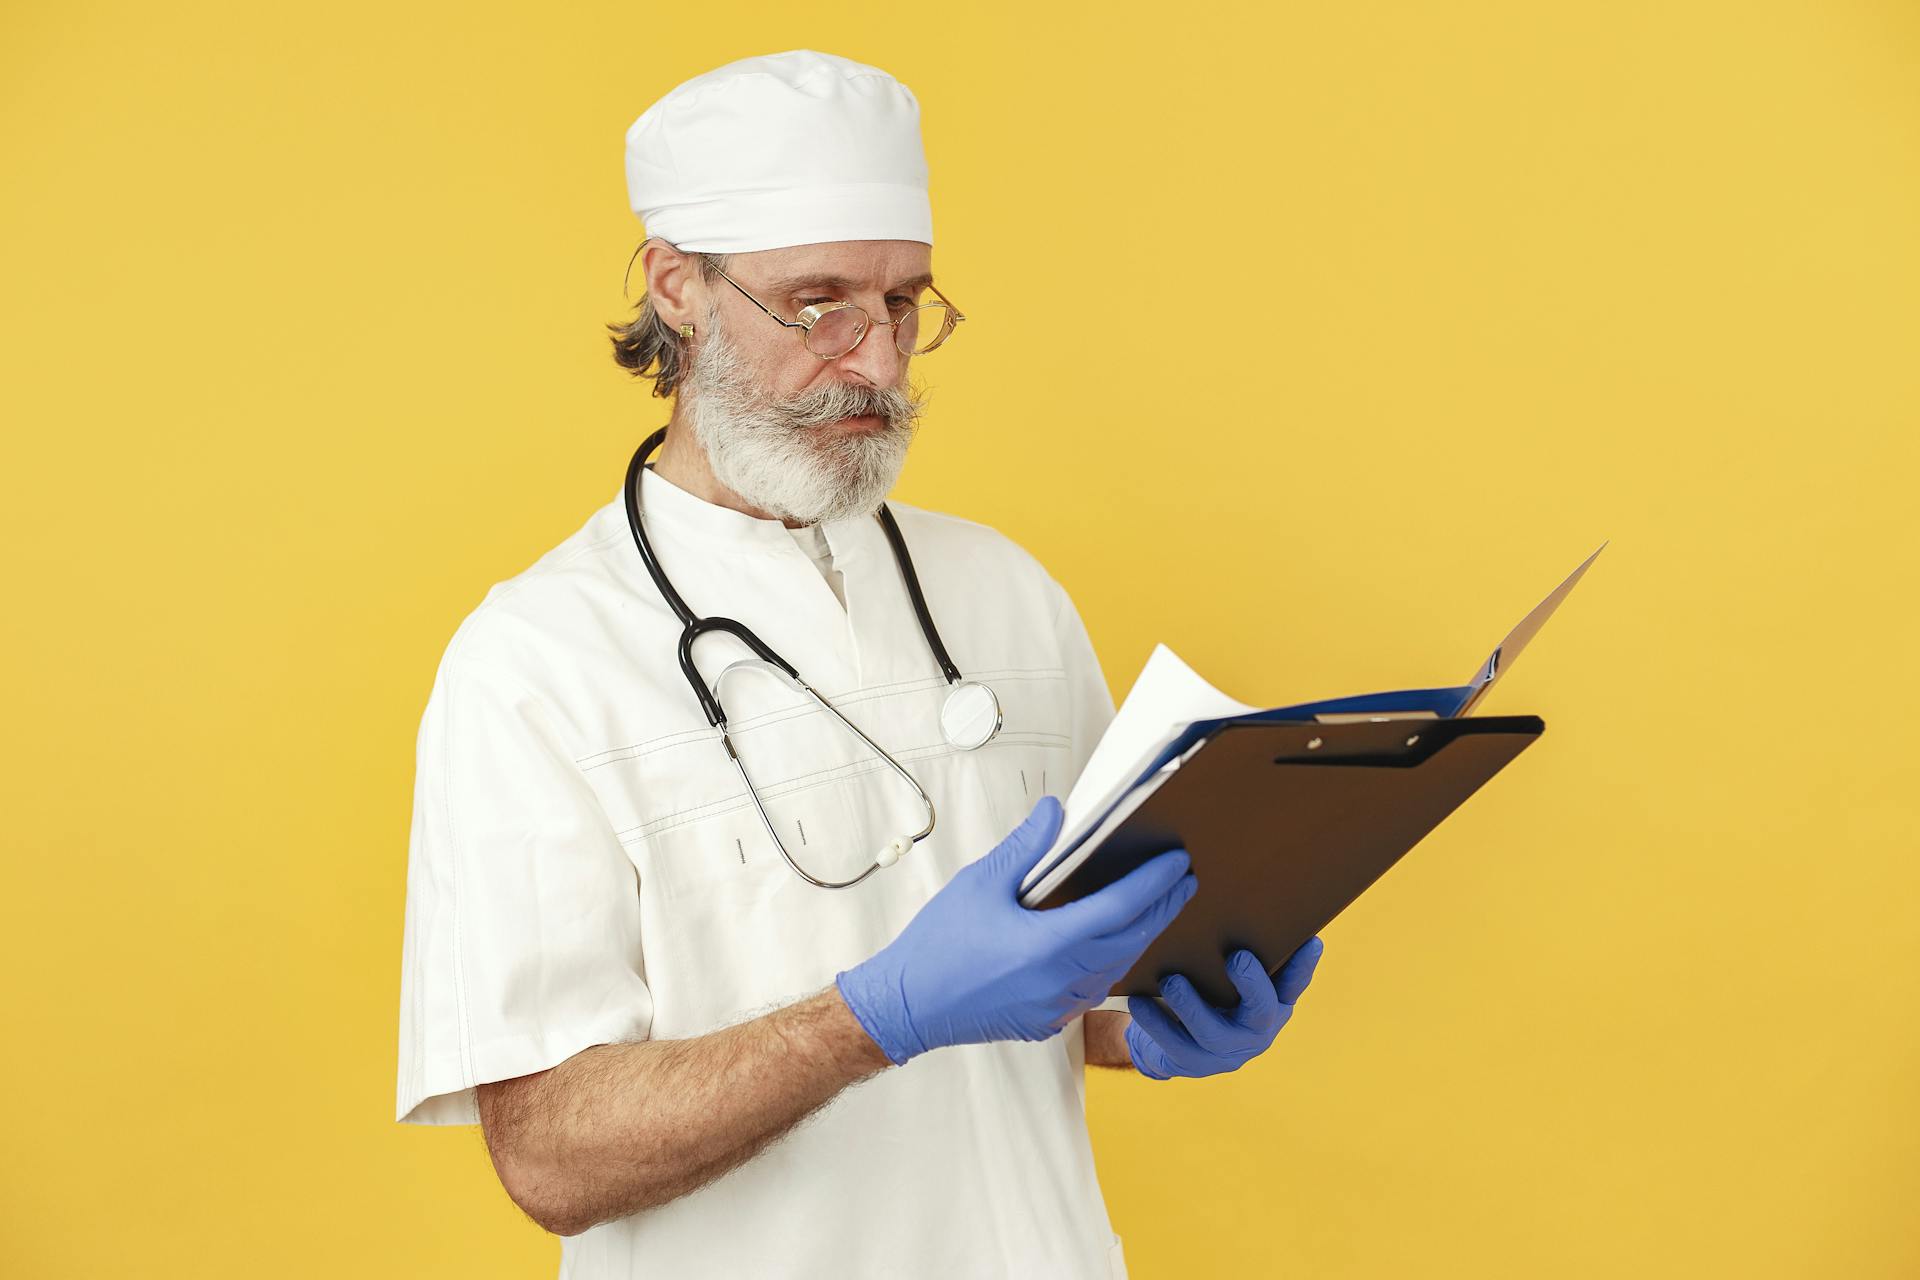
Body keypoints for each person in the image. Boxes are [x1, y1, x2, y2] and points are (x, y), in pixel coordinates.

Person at [393, 48, 1326, 1279]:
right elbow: (553, 1158)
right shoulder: (536, 661)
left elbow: (1066, 975)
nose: (879, 363)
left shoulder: (1007, 590)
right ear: (677, 286)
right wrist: (873, 1016)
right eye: (818, 302)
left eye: (902, 306)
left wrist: (1149, 1014)